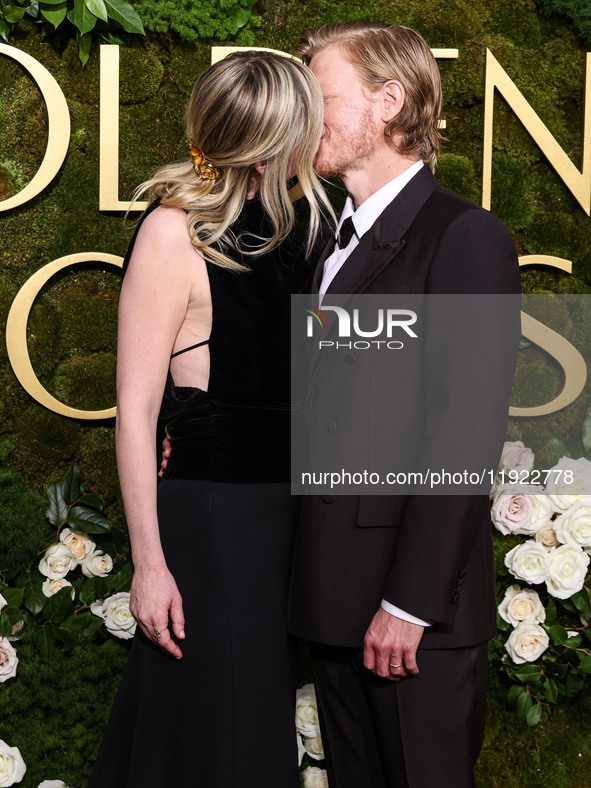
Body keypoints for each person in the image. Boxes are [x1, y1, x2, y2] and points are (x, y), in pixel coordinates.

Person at [87, 50, 333, 788]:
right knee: (226, 726)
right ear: (273, 136)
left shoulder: (311, 224)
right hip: (216, 520)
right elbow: (134, 412)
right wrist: (150, 565)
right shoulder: (174, 233)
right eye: (309, 119)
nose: (320, 136)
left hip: (289, 520)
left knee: (239, 721)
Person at [287, 21, 522, 788]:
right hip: (329, 596)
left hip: (409, 614)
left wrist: (411, 601)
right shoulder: (327, 242)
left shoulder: (463, 236)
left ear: (388, 101)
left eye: (320, 100)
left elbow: (464, 429)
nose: (302, 121)